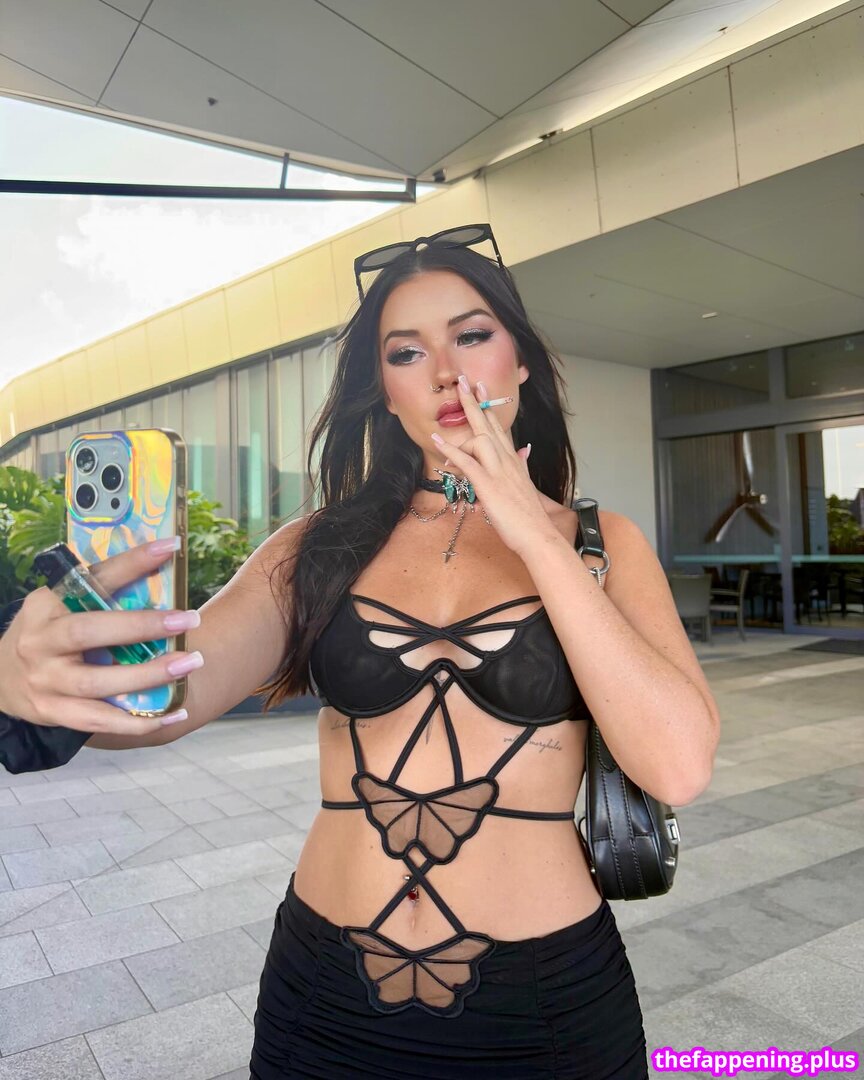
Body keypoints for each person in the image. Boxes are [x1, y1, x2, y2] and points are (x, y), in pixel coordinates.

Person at [0, 224, 720, 1079]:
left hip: (547, 1010)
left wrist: (535, 533)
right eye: (406, 352)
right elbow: (166, 702)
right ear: (383, 388)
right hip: (324, 999)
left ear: (521, 361)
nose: (445, 372)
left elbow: (677, 765)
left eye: (471, 336)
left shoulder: (603, 544)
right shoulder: (319, 547)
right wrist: (28, 674)